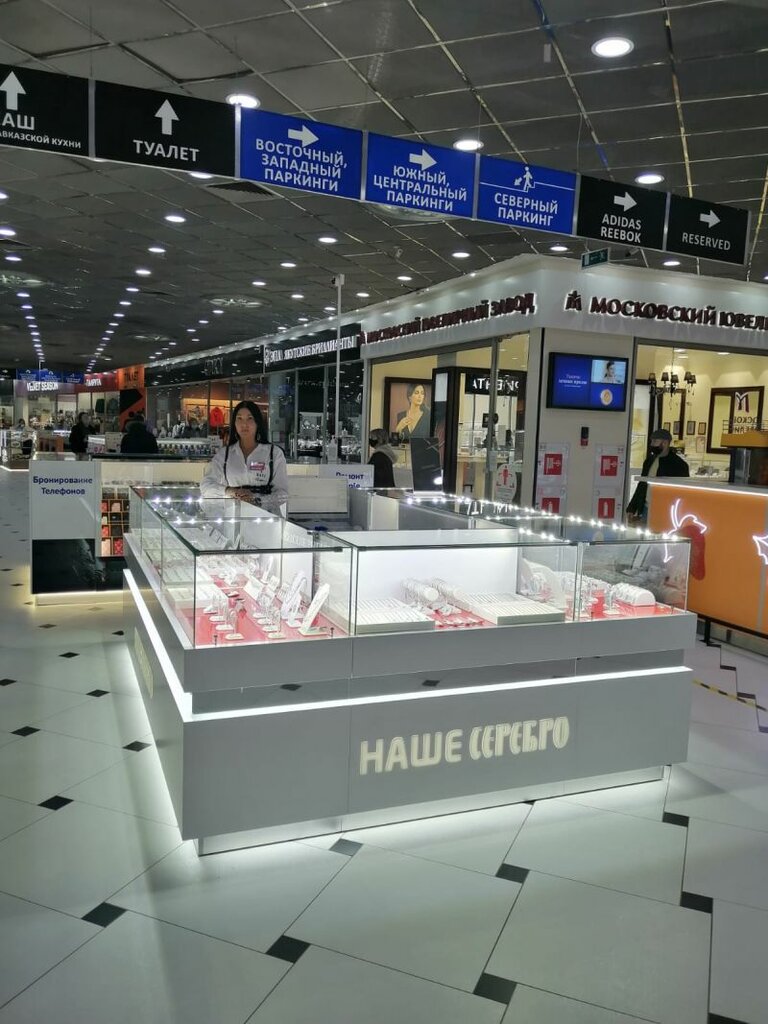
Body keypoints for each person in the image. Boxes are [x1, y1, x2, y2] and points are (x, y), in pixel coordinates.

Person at [200, 400, 288, 516]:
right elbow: (206, 486)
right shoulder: (224, 454)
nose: (244, 424)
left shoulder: (274, 453)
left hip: (266, 518)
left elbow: (282, 493)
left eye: (250, 418)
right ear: (234, 423)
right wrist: (230, 491)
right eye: (239, 418)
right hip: (233, 517)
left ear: (257, 422)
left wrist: (258, 500)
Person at [626, 428, 689, 522]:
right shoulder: (649, 461)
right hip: (646, 508)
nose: (651, 444)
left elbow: (682, 491)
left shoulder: (678, 465)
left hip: (666, 511)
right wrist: (632, 508)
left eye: (655, 441)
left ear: (665, 443)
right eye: (652, 441)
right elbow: (642, 485)